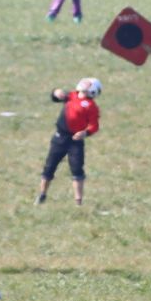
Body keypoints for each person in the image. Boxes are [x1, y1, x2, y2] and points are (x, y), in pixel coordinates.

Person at [37, 77, 101, 206]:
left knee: (77, 169)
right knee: (49, 167)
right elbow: (56, 97)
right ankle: (42, 195)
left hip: (75, 141)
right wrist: (56, 92)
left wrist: (85, 133)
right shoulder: (71, 95)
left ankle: (78, 201)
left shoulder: (91, 106)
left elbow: (94, 126)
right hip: (60, 137)